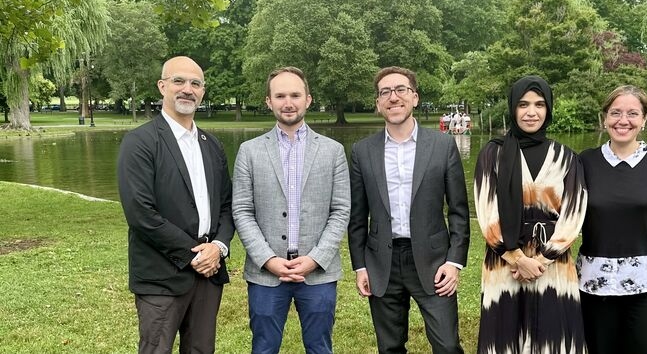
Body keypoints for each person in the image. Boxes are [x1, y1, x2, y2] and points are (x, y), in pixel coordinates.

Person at [348, 66, 470, 354]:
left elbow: (459, 211)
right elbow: (357, 216)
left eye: (401, 89)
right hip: (382, 262)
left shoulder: (442, 145)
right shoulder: (362, 151)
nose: (393, 97)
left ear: (414, 97)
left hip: (433, 261)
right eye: (385, 92)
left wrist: (454, 262)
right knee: (389, 347)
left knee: (448, 345)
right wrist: (360, 265)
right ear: (378, 103)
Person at [117, 56, 234, 354]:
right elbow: (141, 214)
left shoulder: (212, 144)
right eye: (179, 81)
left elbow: (226, 205)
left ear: (203, 92)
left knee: (201, 349)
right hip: (161, 276)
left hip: (209, 273)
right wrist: (193, 255)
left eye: (195, 83)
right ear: (162, 86)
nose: (187, 89)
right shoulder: (140, 142)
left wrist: (217, 247)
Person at [232, 67, 350, 354]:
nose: (288, 102)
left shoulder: (333, 151)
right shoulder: (249, 151)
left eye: (295, 95)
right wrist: (267, 259)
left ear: (308, 100)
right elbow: (242, 210)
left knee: (320, 347)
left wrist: (316, 258)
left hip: (318, 273)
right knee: (263, 348)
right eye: (280, 95)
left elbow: (341, 210)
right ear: (268, 101)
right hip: (266, 274)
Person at [473, 75, 588, 353]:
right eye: (523, 104)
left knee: (552, 334)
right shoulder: (493, 154)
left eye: (539, 104)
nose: (531, 112)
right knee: (505, 336)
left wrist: (541, 259)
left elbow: (574, 214)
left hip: (552, 263)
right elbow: (486, 210)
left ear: (548, 109)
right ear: (513, 108)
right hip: (504, 261)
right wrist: (517, 257)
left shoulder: (567, 157)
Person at [577, 85, 647, 354]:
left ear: (644, 119)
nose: (623, 120)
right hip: (595, 281)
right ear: (604, 118)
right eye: (615, 112)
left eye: (632, 113)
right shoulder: (584, 162)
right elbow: (566, 218)